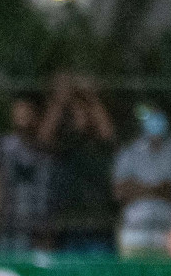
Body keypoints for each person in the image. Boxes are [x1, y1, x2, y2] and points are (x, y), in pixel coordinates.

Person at [40, 73, 117, 251]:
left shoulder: (98, 145)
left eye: (83, 110)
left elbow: (108, 134)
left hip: (99, 223)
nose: (80, 115)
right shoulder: (64, 145)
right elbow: (43, 138)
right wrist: (60, 99)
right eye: (75, 110)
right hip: (67, 224)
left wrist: (91, 97)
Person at [112, 103, 171, 258]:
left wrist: (138, 188)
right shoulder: (130, 151)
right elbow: (120, 192)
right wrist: (159, 189)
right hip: (134, 229)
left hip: (169, 229)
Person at [0, 98, 52, 251]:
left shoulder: (44, 150)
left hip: (36, 228)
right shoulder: (3, 147)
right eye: (18, 112)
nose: (21, 117)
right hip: (7, 225)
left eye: (25, 113)